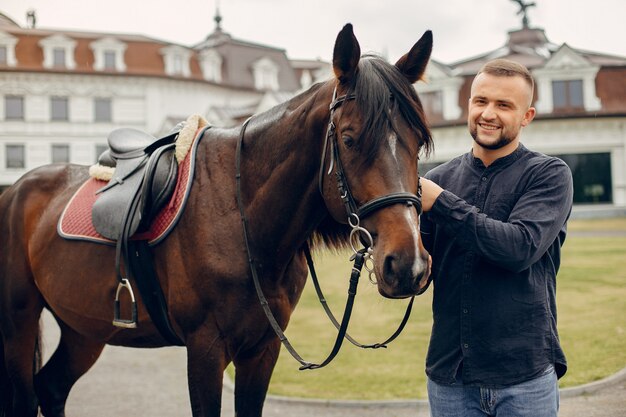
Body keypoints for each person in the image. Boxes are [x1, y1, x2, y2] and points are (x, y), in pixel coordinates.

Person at [419, 58, 573, 417]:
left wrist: (440, 203)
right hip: (449, 377)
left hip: (524, 377)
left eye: (504, 105)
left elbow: (519, 248)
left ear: (527, 116)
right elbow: (418, 273)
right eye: (481, 101)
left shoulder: (549, 175)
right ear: (468, 104)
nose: (488, 113)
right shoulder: (438, 177)